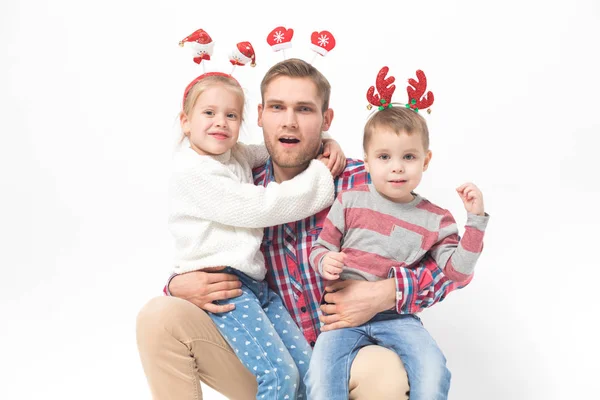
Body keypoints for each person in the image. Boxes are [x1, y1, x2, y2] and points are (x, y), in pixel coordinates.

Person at [136, 58, 468, 400]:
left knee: (383, 373)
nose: (289, 122)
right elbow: (204, 241)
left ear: (326, 120)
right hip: (273, 360)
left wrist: (388, 292)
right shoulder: (241, 187)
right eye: (278, 108)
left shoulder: (368, 184)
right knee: (159, 317)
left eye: (305, 109)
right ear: (261, 115)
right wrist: (180, 284)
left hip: (346, 355)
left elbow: (449, 265)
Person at [168, 68, 348, 399]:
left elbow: (272, 149)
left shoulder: (230, 155)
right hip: (225, 286)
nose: (220, 122)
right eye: (209, 113)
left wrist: (323, 141)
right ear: (185, 121)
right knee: (278, 375)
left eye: (231, 115)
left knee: (309, 374)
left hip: (255, 287)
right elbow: (262, 207)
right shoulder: (194, 172)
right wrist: (321, 175)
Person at [304, 86, 490, 399]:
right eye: (384, 157)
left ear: (426, 160)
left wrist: (475, 221)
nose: (397, 167)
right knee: (321, 379)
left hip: (398, 318)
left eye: (408, 157)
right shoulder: (349, 201)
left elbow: (457, 273)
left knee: (433, 368)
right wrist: (325, 261)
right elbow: (319, 249)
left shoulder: (436, 219)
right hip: (341, 319)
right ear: (366, 161)